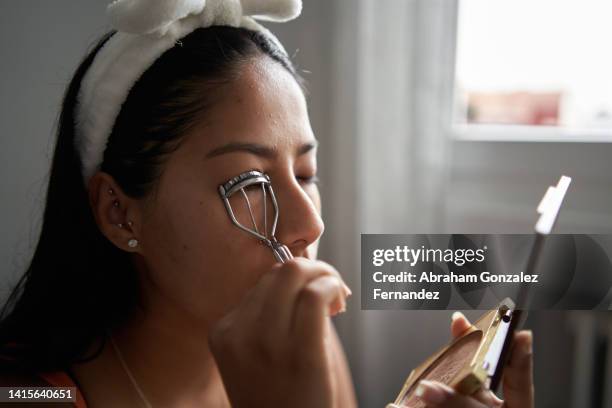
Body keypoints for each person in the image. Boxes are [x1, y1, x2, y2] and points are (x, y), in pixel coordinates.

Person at [0, 1, 534, 406]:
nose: (310, 223)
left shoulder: (307, 345)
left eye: (306, 173)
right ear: (120, 213)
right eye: (249, 183)